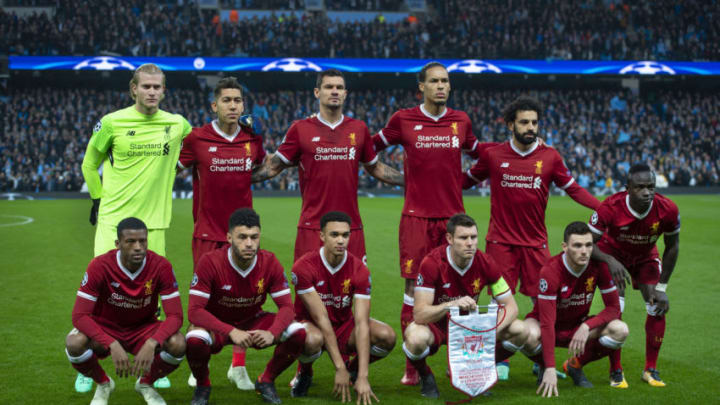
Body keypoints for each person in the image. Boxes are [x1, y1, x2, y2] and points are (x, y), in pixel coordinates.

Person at [79, 63, 191, 392]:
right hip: (113, 222)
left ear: (164, 91)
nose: (152, 92)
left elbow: (201, 144)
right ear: (133, 89)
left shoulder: (176, 123)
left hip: (154, 225)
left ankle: (154, 367)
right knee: (102, 298)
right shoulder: (112, 122)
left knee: (152, 300)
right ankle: (88, 365)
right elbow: (89, 163)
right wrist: (97, 200)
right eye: (146, 87)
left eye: (158, 87)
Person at [371, 62, 485, 385]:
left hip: (453, 221)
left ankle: (455, 361)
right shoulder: (403, 119)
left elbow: (482, 155)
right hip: (416, 220)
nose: (441, 86)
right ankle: (413, 366)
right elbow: (368, 148)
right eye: (434, 81)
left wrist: (518, 151)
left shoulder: (460, 121)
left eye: (445, 81)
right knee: (413, 289)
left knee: (457, 289)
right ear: (420, 87)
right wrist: (398, 179)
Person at [251, 69, 404, 264]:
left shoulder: (359, 129)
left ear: (345, 94)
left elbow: (376, 168)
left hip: (350, 227)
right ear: (317, 92)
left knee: (355, 290)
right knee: (307, 290)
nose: (334, 91)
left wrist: (411, 180)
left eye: (339, 87)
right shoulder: (300, 129)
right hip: (312, 227)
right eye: (329, 87)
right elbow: (272, 167)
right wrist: (233, 177)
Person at [178, 76, 265, 390]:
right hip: (207, 233)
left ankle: (237, 367)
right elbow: (172, 169)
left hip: (243, 234)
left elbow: (261, 168)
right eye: (226, 100)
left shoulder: (251, 140)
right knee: (202, 302)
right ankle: (198, 363)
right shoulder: (196, 139)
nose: (232, 106)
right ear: (214, 105)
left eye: (237, 101)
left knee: (242, 300)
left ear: (243, 105)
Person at [185, 208, 307, 405]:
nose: (249, 243)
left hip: (252, 321)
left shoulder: (270, 262)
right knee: (194, 338)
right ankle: (202, 386)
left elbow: (287, 307)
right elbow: (194, 311)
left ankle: (266, 380)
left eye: (254, 237)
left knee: (297, 332)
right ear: (229, 237)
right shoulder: (210, 262)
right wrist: (231, 331)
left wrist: (273, 332)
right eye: (242, 237)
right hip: (218, 324)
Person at [403, 214, 529, 398]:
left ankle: (478, 369)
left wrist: (489, 334)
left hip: (470, 327)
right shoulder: (432, 263)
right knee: (415, 338)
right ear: (449, 239)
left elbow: (511, 307)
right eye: (463, 238)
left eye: (473, 237)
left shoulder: (486, 262)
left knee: (521, 329)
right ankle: (426, 375)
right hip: (438, 325)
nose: (470, 243)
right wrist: (450, 304)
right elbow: (420, 314)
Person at [64, 217, 185, 405]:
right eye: (130, 241)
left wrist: (153, 342)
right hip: (106, 327)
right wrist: (111, 343)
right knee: (74, 342)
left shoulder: (161, 266)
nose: (138, 247)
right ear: (118, 244)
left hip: (144, 328)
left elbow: (176, 316)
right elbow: (79, 316)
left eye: (142, 241)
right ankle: (104, 384)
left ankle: (145, 384)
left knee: (178, 343)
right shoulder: (99, 266)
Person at [587, 163, 680, 388]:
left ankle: (650, 369)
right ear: (627, 188)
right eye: (640, 187)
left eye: (651, 186)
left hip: (645, 256)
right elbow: (588, 242)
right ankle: (616, 370)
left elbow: (673, 246)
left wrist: (662, 287)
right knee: (615, 310)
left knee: (657, 305)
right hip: (612, 255)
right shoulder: (610, 206)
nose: (647, 192)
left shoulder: (667, 209)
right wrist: (609, 260)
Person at [290, 211, 396, 404]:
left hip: (343, 325)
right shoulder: (303, 267)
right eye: (334, 235)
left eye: (345, 235)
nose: (341, 240)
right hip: (312, 324)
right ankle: (305, 372)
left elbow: (362, 323)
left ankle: (354, 371)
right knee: (312, 339)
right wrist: (339, 367)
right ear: (322, 236)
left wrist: (363, 375)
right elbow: (321, 318)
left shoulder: (359, 270)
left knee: (387, 336)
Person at [528, 221, 628, 397]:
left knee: (620, 330)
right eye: (578, 245)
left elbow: (613, 308)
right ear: (565, 247)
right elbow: (547, 322)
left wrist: (587, 326)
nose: (584, 251)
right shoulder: (551, 271)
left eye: (589, 245)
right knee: (524, 333)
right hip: (547, 326)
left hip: (577, 327)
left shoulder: (598, 267)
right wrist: (551, 367)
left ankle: (575, 365)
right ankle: (543, 366)